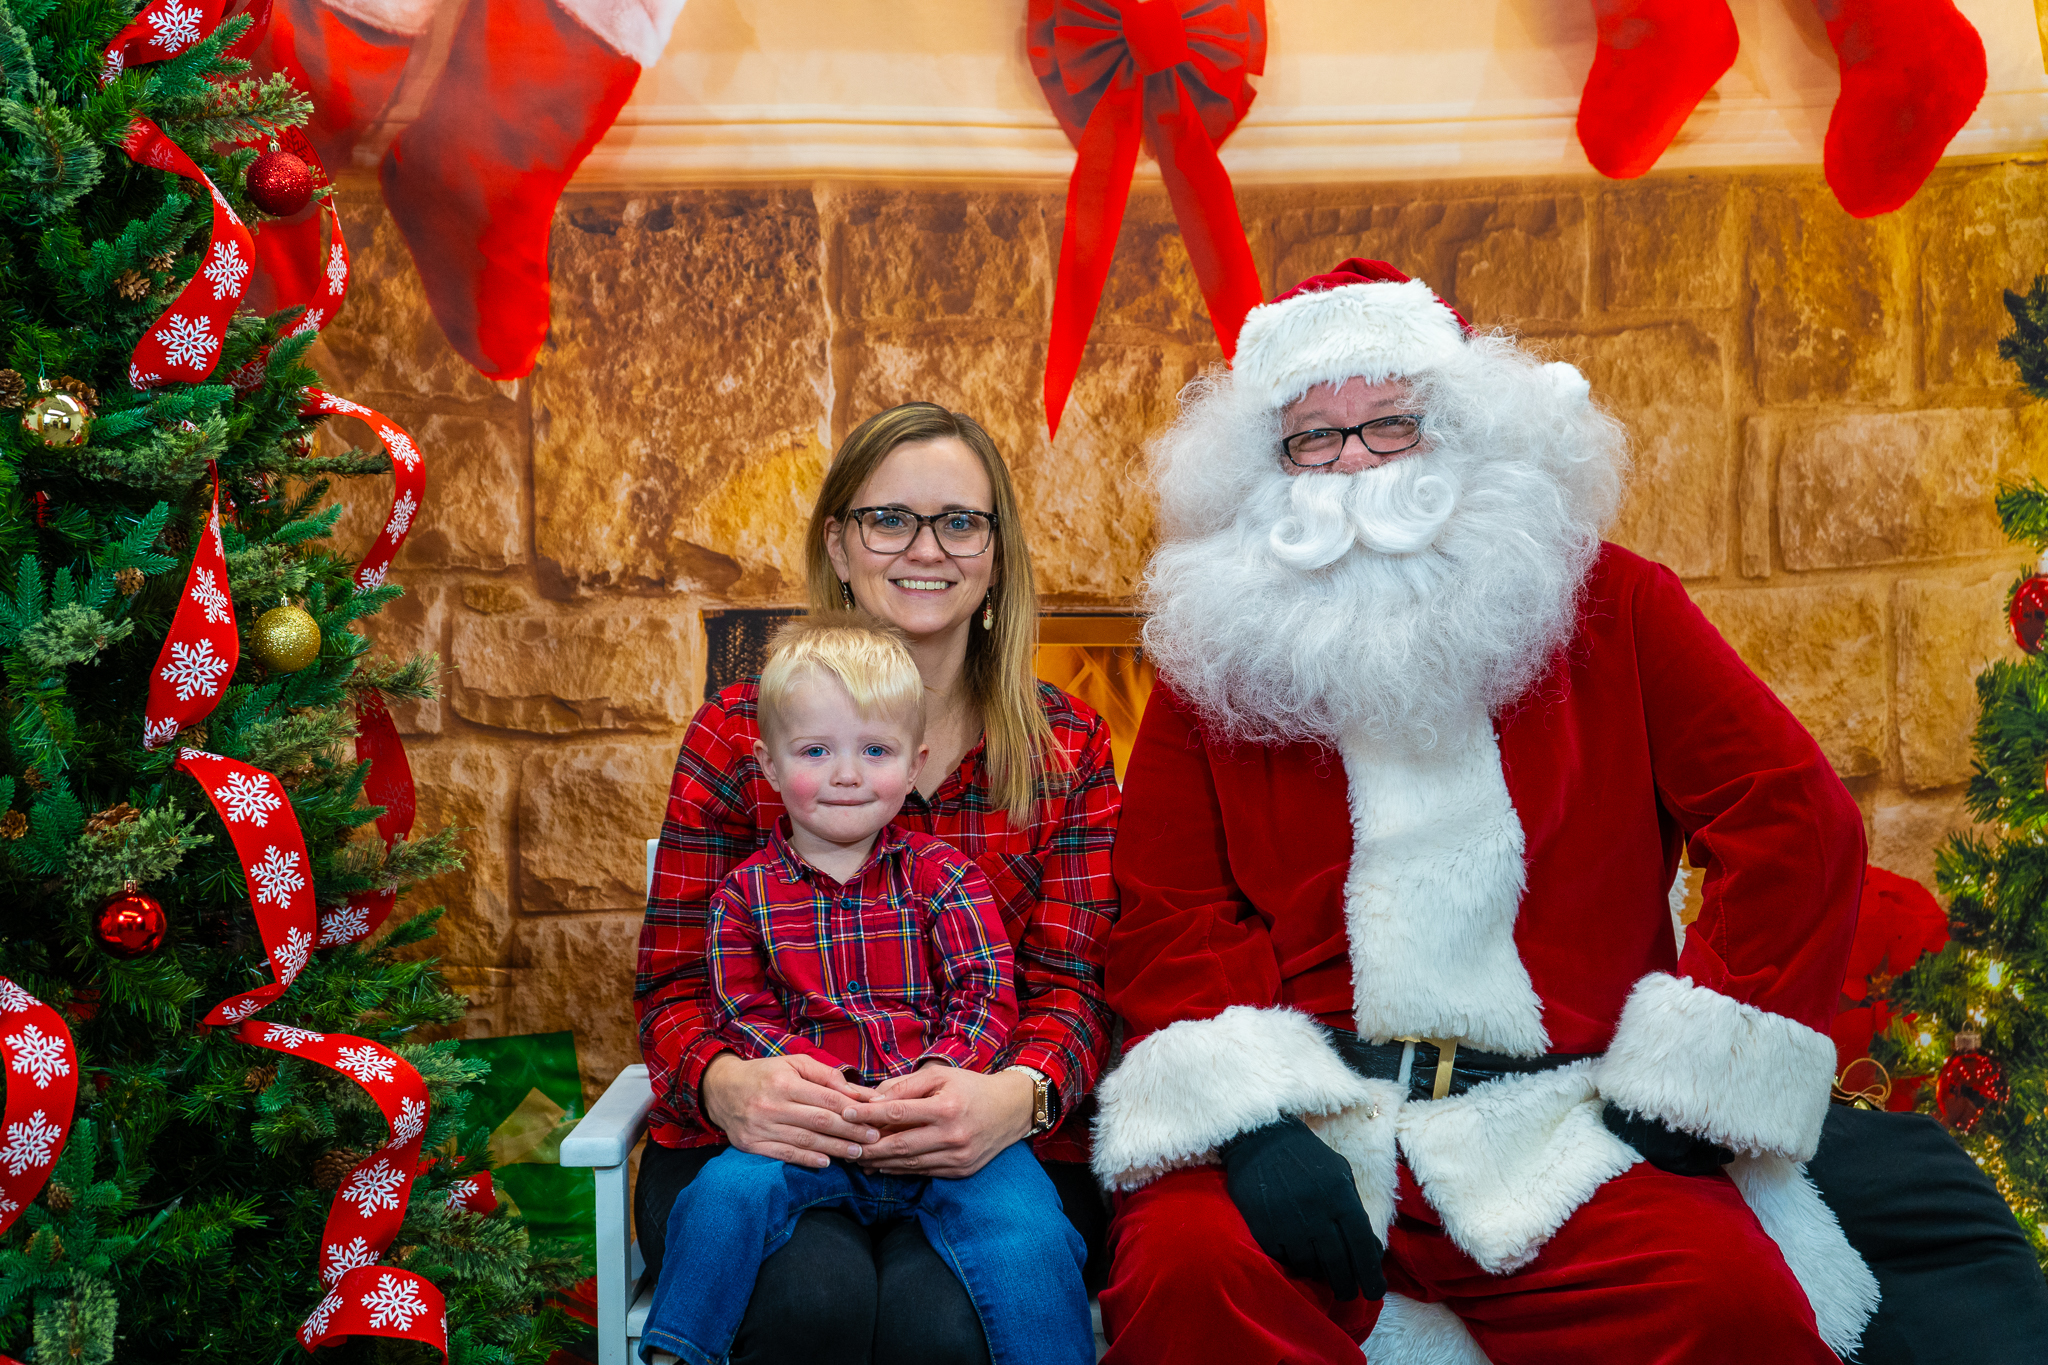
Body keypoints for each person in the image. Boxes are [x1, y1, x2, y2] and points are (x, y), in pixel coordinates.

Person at [1091, 258, 1879, 1365]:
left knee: (1726, 1305)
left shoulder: (1614, 605)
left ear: (1459, 431)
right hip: (1319, 1118)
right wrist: (1253, 1119)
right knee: (1185, 1274)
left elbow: (1792, 820)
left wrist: (1689, 1088)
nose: (1352, 462)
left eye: (1389, 425)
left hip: (1558, 1128)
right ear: (1264, 471)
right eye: (1310, 438)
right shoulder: (1213, 657)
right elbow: (1167, 909)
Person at [634, 402, 1120, 1365]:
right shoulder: (741, 736)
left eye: (959, 521)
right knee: (812, 1299)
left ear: (994, 554)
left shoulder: (1066, 746)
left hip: (989, 1143)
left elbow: (1078, 986)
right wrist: (732, 1082)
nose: (923, 549)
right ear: (841, 545)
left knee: (942, 1327)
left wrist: (1011, 1097)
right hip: (767, 1137)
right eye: (888, 518)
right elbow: (676, 988)